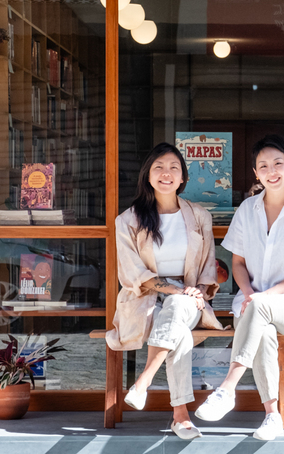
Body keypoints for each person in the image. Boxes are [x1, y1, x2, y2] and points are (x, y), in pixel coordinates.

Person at [194, 134, 284, 441]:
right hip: (252, 304)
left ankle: (227, 388)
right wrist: (247, 294)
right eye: (264, 166)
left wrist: (262, 297)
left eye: (278, 164)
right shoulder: (247, 210)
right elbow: (239, 264)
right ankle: (272, 414)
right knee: (264, 330)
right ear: (256, 173)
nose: (272, 171)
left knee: (260, 310)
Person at [106, 142, 224, 440]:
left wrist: (194, 291)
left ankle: (142, 382)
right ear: (148, 175)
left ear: (183, 177)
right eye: (158, 167)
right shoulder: (128, 220)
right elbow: (132, 273)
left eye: (173, 168)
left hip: (188, 299)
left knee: (178, 307)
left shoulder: (199, 217)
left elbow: (208, 269)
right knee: (179, 332)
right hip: (144, 299)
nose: (166, 173)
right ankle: (181, 417)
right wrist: (176, 290)